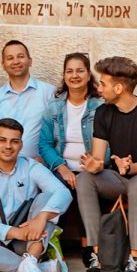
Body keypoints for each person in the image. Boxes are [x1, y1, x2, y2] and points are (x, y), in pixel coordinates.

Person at [75, 56, 137, 272]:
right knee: (85, 179)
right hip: (117, 176)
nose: (98, 87)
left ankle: (136, 259)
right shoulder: (104, 112)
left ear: (119, 87)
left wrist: (130, 166)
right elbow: (97, 156)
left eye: (102, 83)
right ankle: (97, 255)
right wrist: (95, 165)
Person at [0, 119, 74, 272]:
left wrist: (41, 217)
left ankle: (31, 258)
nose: (8, 146)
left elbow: (63, 192)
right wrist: (15, 232)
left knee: (47, 199)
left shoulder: (31, 166)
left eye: (14, 141)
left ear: (21, 145)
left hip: (31, 238)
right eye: (2, 140)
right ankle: (32, 266)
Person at [40, 52, 103, 195]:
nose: (74, 76)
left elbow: (109, 145)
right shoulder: (53, 107)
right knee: (56, 194)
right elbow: (44, 144)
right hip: (61, 169)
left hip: (94, 172)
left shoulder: (101, 107)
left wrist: (94, 165)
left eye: (80, 71)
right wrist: (63, 169)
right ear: (64, 76)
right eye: (69, 71)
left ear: (88, 76)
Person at [0, 40, 50, 163]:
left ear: (30, 61)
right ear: (3, 64)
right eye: (10, 58)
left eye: (20, 56)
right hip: (2, 168)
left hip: (38, 167)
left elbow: (57, 134)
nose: (16, 61)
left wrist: (47, 161)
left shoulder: (49, 93)